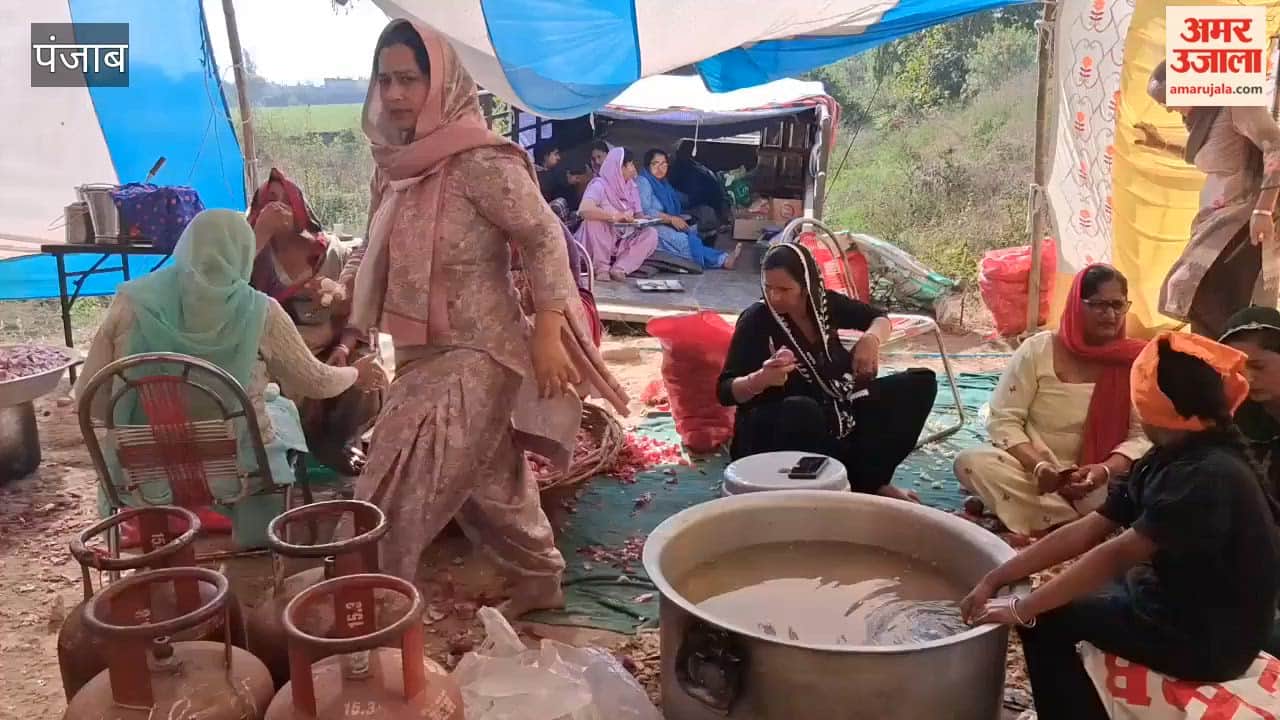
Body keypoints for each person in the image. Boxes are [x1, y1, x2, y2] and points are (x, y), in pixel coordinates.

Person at [341, 20, 629, 617]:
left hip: (482, 349)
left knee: (396, 477)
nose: (394, 94)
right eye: (385, 79)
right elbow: (375, 248)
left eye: (409, 79)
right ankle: (540, 577)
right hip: (419, 351)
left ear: (442, 83)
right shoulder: (392, 166)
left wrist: (549, 329)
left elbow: (544, 237)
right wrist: (347, 310)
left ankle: (372, 604)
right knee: (488, 484)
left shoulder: (479, 162)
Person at [961, 332, 1280, 720]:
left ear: (1152, 407)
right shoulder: (1169, 454)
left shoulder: (1208, 476)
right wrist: (996, 576)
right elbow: (1090, 528)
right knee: (1070, 595)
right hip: (1176, 599)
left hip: (1209, 640)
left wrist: (1020, 606)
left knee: (1043, 621)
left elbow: (1115, 554)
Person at [74, 210, 388, 548]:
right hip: (238, 465)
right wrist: (357, 373)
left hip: (142, 464)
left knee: (265, 405)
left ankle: (160, 525)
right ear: (243, 252)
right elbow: (317, 382)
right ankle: (256, 536)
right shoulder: (259, 311)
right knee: (280, 409)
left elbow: (89, 395)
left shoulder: (131, 302)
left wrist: (152, 419)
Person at [716, 242, 936, 501]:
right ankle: (862, 485)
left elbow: (879, 318)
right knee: (803, 410)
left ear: (805, 286)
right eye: (768, 287)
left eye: (784, 289)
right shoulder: (757, 319)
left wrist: (871, 340)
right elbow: (725, 391)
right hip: (777, 430)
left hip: (837, 409)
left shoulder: (824, 306)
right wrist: (760, 380)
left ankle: (868, 481)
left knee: (918, 385)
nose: (774, 297)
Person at [954, 265, 1151, 537]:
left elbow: (1141, 436)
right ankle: (1081, 525)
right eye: (1099, 305)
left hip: (1098, 477)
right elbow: (1004, 418)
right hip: (1035, 470)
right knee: (971, 461)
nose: (1111, 314)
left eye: (1118, 305)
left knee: (1137, 489)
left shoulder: (1136, 361)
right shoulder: (1039, 350)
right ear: (1076, 305)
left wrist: (1104, 470)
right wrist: (1040, 466)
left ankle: (1047, 519)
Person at [247, 168, 381, 477]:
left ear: (300, 206)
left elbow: (356, 311)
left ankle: (340, 443)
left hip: (330, 345)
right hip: (278, 352)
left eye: (284, 199)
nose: (277, 208)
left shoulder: (332, 253)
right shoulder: (253, 258)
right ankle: (292, 447)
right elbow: (234, 293)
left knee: (367, 369)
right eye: (268, 201)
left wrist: (344, 347)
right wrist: (260, 235)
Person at [1146, 61, 1280, 338]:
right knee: (1204, 308)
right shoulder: (1207, 117)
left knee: (1216, 305)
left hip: (1244, 226)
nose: (1170, 109)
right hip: (1216, 224)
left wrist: (1264, 210)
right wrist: (1161, 144)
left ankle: (1234, 374)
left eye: (1169, 100)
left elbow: (1276, 145)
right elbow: (1219, 155)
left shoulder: (1237, 102)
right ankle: (1215, 373)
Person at [637, 148, 739, 271]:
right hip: (650, 226)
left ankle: (721, 258)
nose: (660, 168)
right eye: (656, 164)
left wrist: (700, 197)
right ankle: (722, 260)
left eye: (664, 164)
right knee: (682, 241)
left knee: (693, 229)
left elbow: (679, 198)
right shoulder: (644, 182)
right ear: (648, 165)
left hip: (664, 222)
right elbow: (645, 211)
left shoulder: (663, 183)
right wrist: (671, 219)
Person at [574, 147, 659, 282]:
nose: (633, 168)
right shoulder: (600, 185)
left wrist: (644, 220)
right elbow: (584, 209)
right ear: (619, 167)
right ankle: (601, 268)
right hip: (598, 241)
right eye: (630, 164)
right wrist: (613, 217)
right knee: (594, 221)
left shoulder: (631, 187)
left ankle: (620, 268)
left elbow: (638, 215)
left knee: (651, 233)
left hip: (622, 239)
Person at [668, 139, 731, 231]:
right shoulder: (693, 165)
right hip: (707, 201)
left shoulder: (685, 167)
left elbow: (692, 196)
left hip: (697, 200)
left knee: (669, 195)